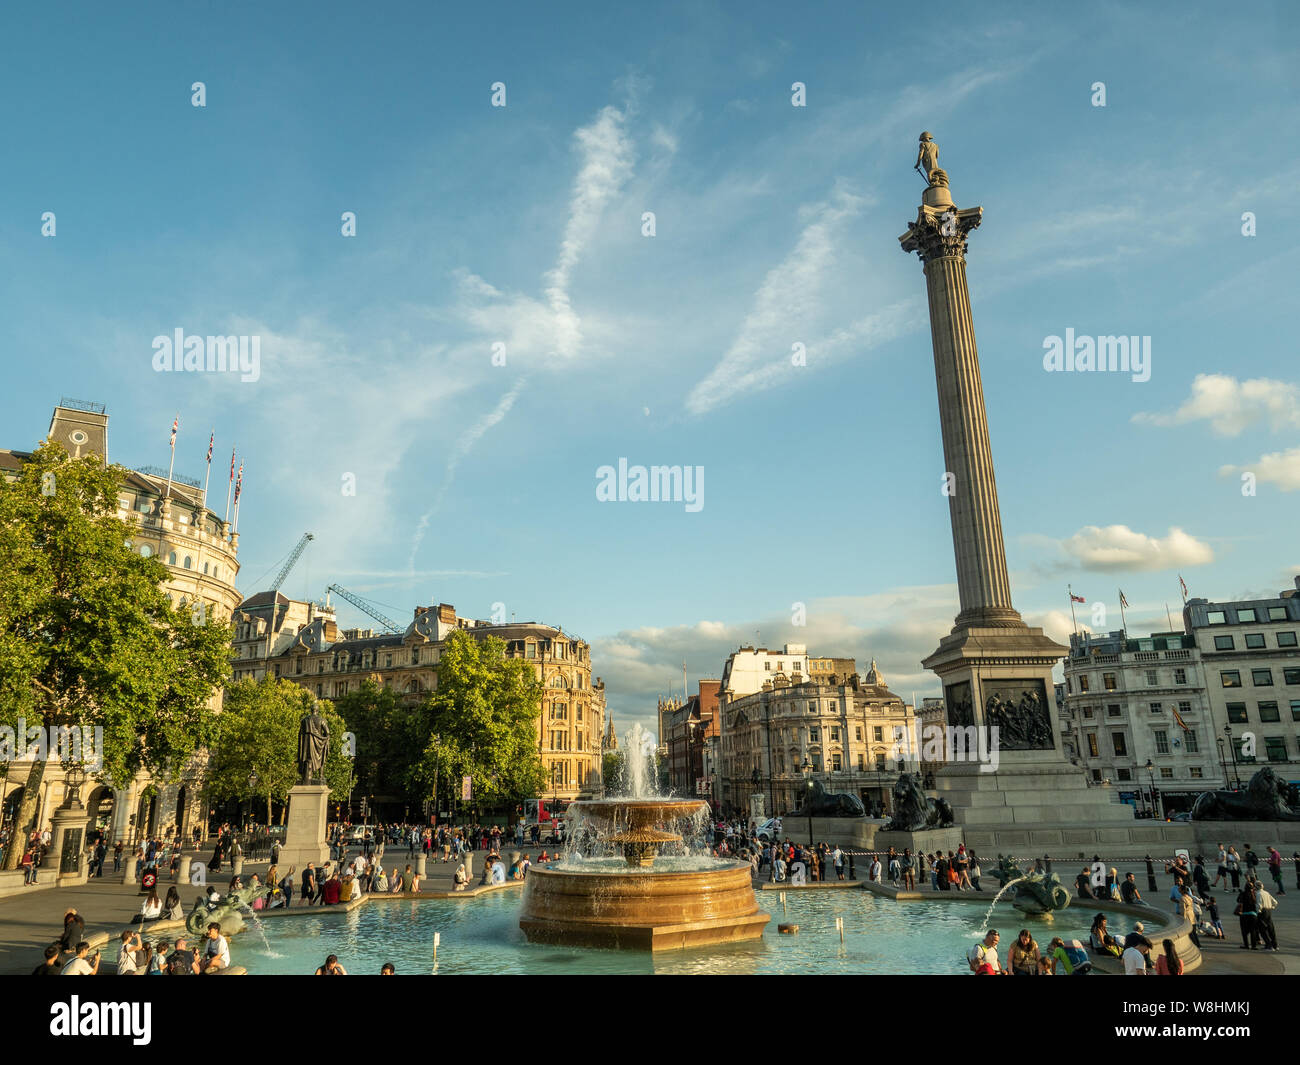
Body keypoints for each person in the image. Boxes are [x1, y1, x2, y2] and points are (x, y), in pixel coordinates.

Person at [1254, 881, 1280, 951]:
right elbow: (1275, 902)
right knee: (1271, 928)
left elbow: (1259, 905)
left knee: (1263, 930)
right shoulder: (1266, 893)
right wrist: (1272, 907)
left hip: (1262, 912)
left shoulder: (1258, 894)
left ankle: (1269, 945)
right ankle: (1275, 945)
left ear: (1256, 887)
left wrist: (1257, 913)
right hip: (1269, 911)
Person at [1236, 882, 1260, 949]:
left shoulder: (1243, 893)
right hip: (1253, 915)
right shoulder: (1254, 894)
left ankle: (1246, 945)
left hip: (1244, 915)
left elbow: (1238, 900)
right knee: (1253, 931)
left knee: (1244, 931)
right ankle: (1254, 946)